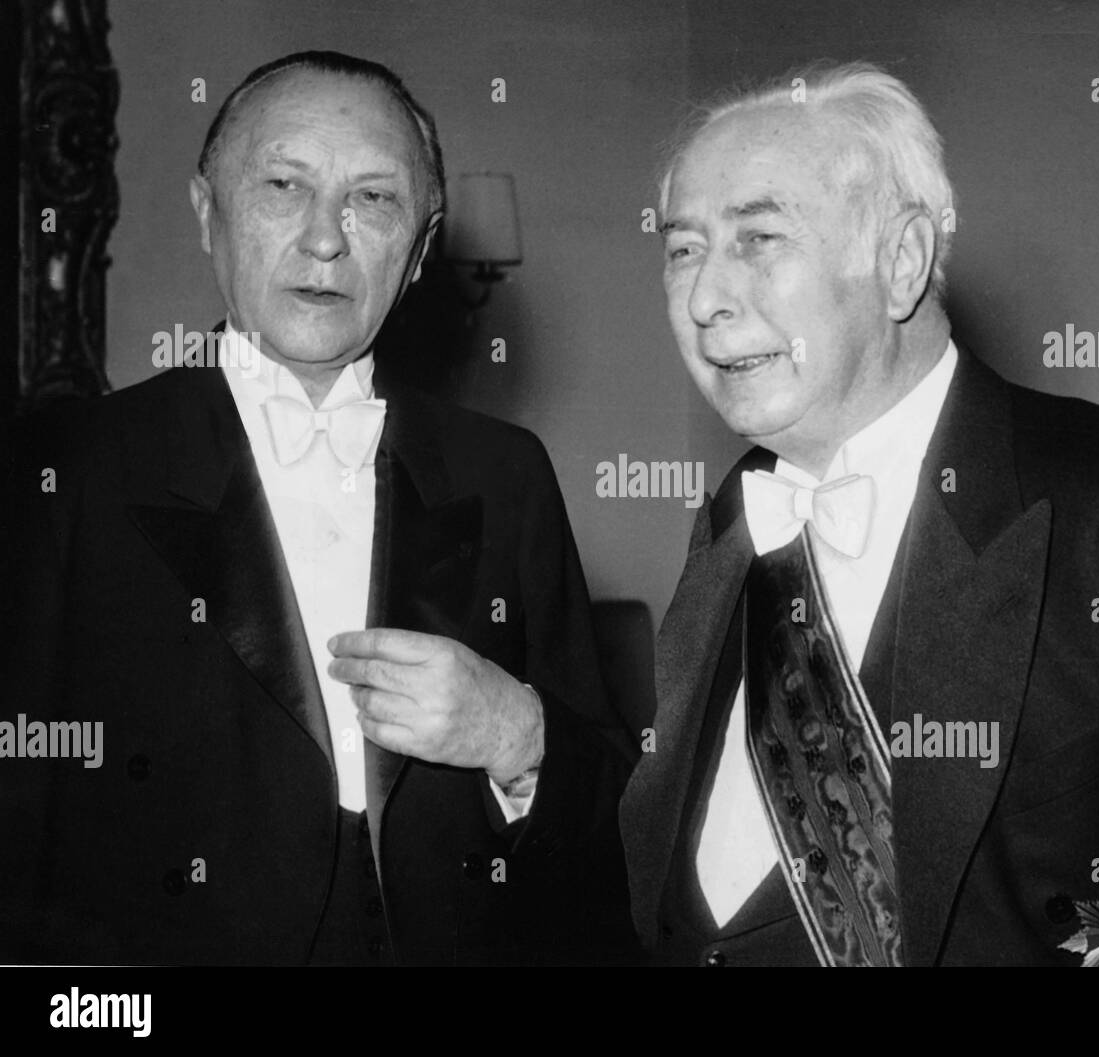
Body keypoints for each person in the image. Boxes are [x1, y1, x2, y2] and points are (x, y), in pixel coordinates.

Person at [620, 61, 1099, 966]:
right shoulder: (734, 524)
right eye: (683, 249)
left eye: (759, 238)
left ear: (901, 263)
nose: (705, 300)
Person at [0, 50, 634, 966]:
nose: (326, 237)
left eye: (373, 199)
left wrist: (518, 734)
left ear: (420, 251)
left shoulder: (507, 473)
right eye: (284, 184)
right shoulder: (61, 469)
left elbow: (622, 820)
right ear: (207, 213)